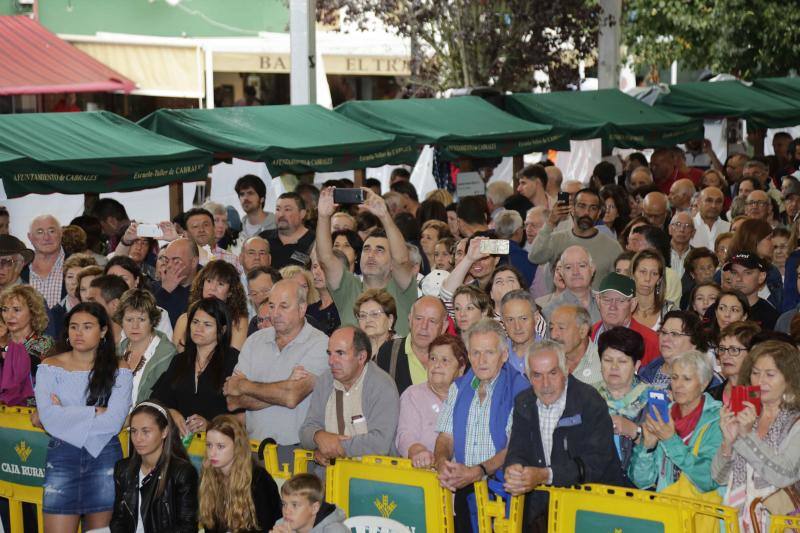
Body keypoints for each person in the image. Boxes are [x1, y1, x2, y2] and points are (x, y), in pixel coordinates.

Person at [503, 340, 625, 530]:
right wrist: (515, 468)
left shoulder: (590, 401)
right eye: (537, 375)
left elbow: (597, 462)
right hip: (542, 509)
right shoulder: (524, 402)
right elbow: (518, 448)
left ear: (566, 370)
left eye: (552, 373)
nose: (545, 384)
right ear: (527, 376)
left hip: (592, 507)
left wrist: (545, 475)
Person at [34, 302, 133, 532]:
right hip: (62, 456)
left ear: (103, 331)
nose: (79, 333)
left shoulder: (120, 368)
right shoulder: (49, 366)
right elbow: (48, 418)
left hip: (105, 455)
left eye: (87, 326)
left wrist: (66, 412)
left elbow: (114, 421)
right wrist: (93, 411)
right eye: (74, 326)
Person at [434, 319, 529, 532]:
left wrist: (479, 471)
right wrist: (441, 463)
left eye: (489, 353)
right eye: (475, 353)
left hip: (502, 491)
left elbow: (513, 448)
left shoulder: (520, 389)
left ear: (504, 356)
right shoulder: (459, 387)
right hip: (464, 487)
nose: (481, 360)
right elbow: (445, 437)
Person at [225, 279, 329, 466]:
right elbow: (233, 401)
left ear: (302, 308)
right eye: (271, 306)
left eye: (284, 306)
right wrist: (284, 387)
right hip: (253, 448)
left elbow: (291, 397)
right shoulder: (254, 340)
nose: (275, 314)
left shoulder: (320, 343)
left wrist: (244, 385)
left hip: (296, 451)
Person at [712, 340, 800, 532]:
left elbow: (783, 475)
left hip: (781, 524)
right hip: (736, 520)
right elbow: (718, 477)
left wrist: (747, 436)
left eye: (770, 374)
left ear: (789, 378)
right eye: (755, 372)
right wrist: (728, 442)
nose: (760, 381)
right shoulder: (746, 415)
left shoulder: (796, 422)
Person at [317, 187, 416, 336]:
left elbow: (402, 260)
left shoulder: (402, 289)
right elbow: (325, 259)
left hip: (393, 359)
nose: (371, 255)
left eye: (380, 250)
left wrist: (384, 216)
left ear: (391, 265)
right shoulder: (348, 287)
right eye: (367, 249)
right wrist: (323, 217)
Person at [299, 326, 400, 466]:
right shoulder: (324, 381)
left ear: (361, 357)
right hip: (330, 476)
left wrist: (333, 447)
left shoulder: (382, 385)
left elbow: (380, 443)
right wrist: (318, 437)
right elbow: (306, 431)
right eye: (330, 353)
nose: (331, 361)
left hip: (374, 477)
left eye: (340, 353)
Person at [628, 351, 723, 494]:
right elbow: (641, 481)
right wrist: (647, 448)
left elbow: (708, 480)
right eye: (674, 377)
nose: (678, 385)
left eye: (687, 379)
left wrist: (670, 440)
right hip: (665, 508)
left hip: (701, 511)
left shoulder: (717, 420)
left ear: (704, 384)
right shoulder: (663, 415)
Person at [151, 298, 240, 438]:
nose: (199, 329)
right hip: (181, 447)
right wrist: (172, 413)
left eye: (207, 324)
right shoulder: (179, 360)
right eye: (195, 322)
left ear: (222, 330)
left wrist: (211, 425)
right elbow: (157, 400)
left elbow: (242, 416)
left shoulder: (235, 361)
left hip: (221, 444)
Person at [109, 400, 198, 533]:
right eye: (134, 431)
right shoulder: (123, 469)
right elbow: (118, 521)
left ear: (164, 432)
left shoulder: (182, 472)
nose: (138, 438)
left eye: (146, 431)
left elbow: (187, 527)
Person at [200, 415, 282, 533]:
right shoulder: (208, 475)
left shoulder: (259, 480)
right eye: (209, 445)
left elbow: (267, 527)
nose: (212, 453)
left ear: (237, 446)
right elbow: (210, 526)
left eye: (220, 446)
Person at [529, 188, 623, 289]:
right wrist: (550, 223)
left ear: (599, 213)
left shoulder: (612, 247)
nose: (586, 212)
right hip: (560, 304)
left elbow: (621, 285)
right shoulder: (556, 240)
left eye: (593, 208)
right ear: (573, 209)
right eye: (582, 206)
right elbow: (534, 257)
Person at [396, 335, 467, 468]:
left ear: (461, 367)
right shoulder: (413, 395)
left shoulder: (471, 399)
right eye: (433, 358)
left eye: (445, 360)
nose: (437, 365)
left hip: (464, 478)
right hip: (423, 474)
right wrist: (418, 451)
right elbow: (405, 435)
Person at [596, 327, 649, 480]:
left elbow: (663, 449)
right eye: (607, 360)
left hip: (639, 486)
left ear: (636, 366)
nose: (614, 367)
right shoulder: (587, 396)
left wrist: (635, 431)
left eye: (622, 361)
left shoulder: (654, 400)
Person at [115, 289, 178, 405]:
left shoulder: (167, 354)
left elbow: (160, 402)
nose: (135, 326)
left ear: (152, 321)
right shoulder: (117, 351)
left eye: (142, 319)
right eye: (129, 320)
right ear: (121, 321)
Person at [375, 295, 448, 395]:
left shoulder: (455, 358)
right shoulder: (388, 352)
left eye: (432, 321)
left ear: (444, 326)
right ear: (410, 319)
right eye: (418, 318)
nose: (424, 326)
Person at [172, 260, 249, 351]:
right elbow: (176, 355)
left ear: (230, 292)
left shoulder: (238, 321)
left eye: (220, 284)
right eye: (209, 281)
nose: (212, 288)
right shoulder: (185, 319)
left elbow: (234, 359)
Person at [591, 272, 660, 365]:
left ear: (633, 304)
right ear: (598, 301)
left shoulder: (651, 342)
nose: (612, 306)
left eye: (620, 300)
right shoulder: (588, 335)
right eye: (607, 299)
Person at [639, 310, 712, 390]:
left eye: (675, 334)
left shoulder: (706, 380)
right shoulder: (644, 373)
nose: (665, 339)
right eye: (663, 332)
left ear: (694, 342)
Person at [0, 284, 54, 379]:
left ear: (33, 312)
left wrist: (3, 344)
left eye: (16, 310)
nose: (9, 316)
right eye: (5, 310)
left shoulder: (44, 343)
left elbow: (21, 373)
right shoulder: (4, 340)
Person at [270, 473, 349, 533]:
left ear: (314, 508)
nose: (287, 511)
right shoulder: (282, 524)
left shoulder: (335, 529)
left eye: (294, 505)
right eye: (284, 504)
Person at [541, 245, 600, 323]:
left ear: (592, 269)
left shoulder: (606, 303)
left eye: (582, 266)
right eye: (568, 267)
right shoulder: (550, 311)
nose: (576, 272)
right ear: (561, 272)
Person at [549, 304, 602, 388]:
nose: (553, 335)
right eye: (551, 328)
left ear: (583, 331)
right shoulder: (547, 362)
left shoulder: (603, 361)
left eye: (561, 328)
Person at [722, 252, 779, 330]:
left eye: (747, 273)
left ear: (761, 277)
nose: (739, 279)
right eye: (734, 272)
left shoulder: (770, 316)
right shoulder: (714, 310)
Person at [260, 192, 315, 270]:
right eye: (278, 209)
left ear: (302, 214)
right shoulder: (263, 238)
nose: (281, 214)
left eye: (287, 209)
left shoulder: (314, 242)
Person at [708, 321, 760, 403]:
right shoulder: (710, 396)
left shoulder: (763, 395)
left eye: (734, 350)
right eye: (722, 349)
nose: (725, 355)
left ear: (752, 353)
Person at [152, 238, 200, 327]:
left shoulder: (207, 288)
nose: (169, 265)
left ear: (194, 262)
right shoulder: (155, 287)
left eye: (176, 261)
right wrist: (164, 291)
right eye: (166, 260)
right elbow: (146, 319)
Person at [25, 215, 65, 308]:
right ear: (29, 237)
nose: (46, 237)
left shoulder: (77, 264)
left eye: (52, 231)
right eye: (40, 232)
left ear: (61, 233)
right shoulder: (20, 268)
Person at [501, 290, 542, 376]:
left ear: (536, 318)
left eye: (523, 319)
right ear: (503, 322)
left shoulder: (551, 353)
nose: (517, 327)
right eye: (510, 320)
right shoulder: (497, 353)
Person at [631, 249, 672, 331]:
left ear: (659, 279)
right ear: (633, 274)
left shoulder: (670, 311)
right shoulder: (620, 308)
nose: (647, 278)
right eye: (643, 272)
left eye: (654, 273)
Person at [354, 288, 396, 356]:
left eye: (375, 314)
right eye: (363, 315)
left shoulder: (400, 351)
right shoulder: (354, 352)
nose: (368, 320)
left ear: (390, 320)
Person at [236, 175, 276, 239]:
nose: (245, 198)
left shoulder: (277, 226)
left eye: (250, 193)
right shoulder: (238, 229)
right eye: (242, 194)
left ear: (262, 198)